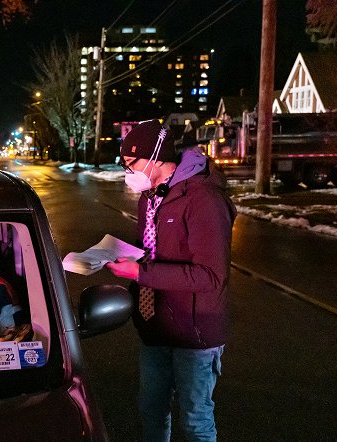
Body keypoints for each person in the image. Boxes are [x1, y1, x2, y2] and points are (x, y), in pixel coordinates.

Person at [106, 119, 236, 442]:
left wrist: (140, 272)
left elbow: (210, 276)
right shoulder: (149, 195)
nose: (127, 172)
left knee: (195, 422)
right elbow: (152, 249)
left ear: (155, 158)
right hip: (154, 326)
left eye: (131, 164)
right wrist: (125, 258)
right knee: (151, 411)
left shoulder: (203, 199)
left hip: (195, 333)